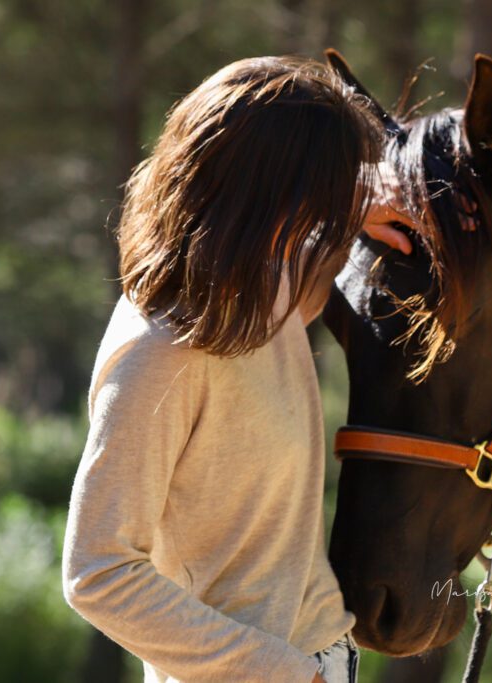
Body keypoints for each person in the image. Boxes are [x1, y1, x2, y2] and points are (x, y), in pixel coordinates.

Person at [62, 55, 409, 683]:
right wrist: (281, 672)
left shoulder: (265, 285)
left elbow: (313, 264)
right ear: (265, 196)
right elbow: (98, 571)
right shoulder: (155, 354)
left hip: (326, 655)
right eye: (319, 199)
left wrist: (360, 194)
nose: (326, 220)